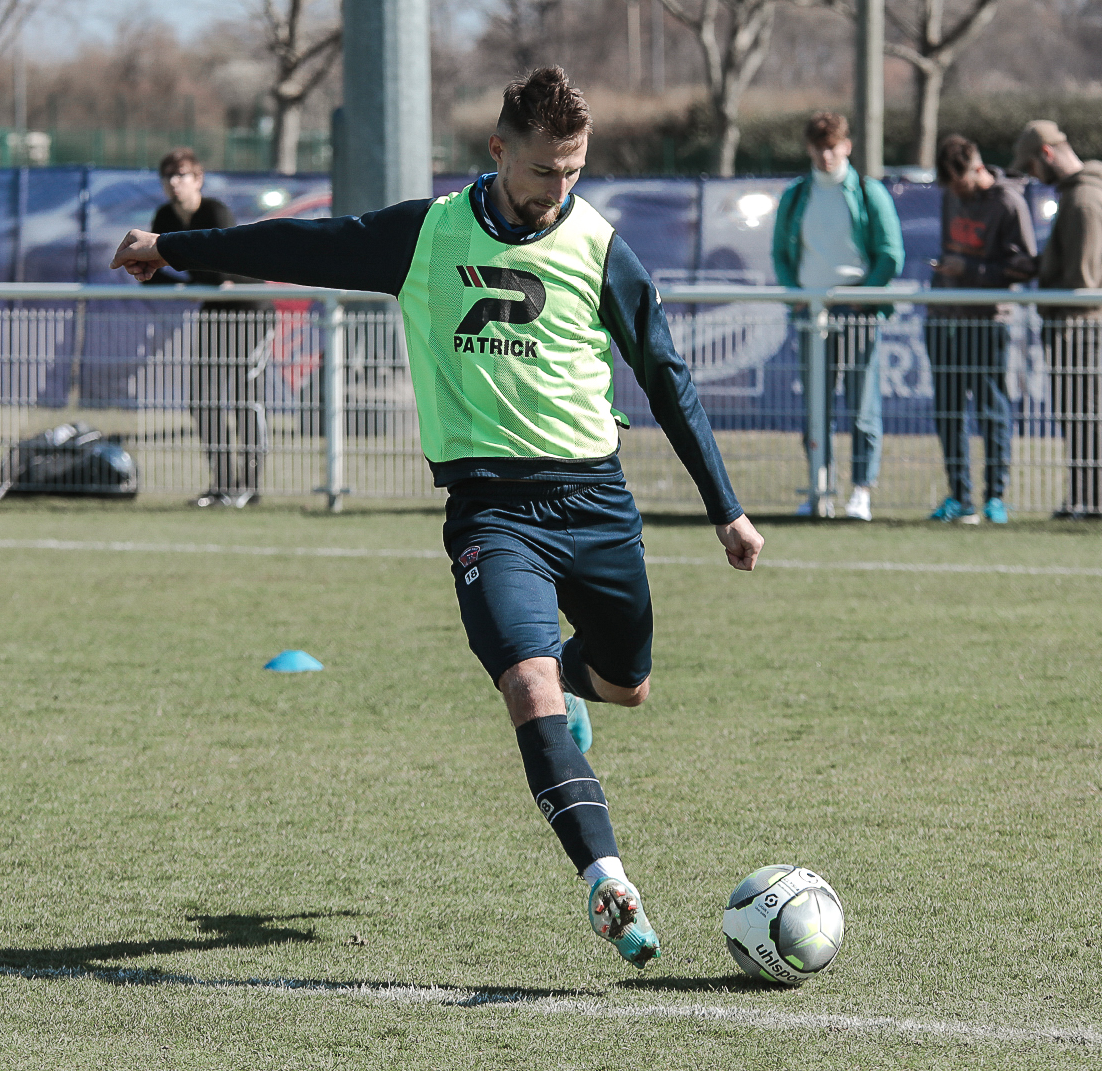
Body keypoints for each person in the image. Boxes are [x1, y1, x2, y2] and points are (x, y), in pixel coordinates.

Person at [111, 67, 765, 970]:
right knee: (528, 688)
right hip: (493, 512)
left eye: (574, 171)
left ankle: (583, 688)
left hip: (597, 504)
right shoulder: (427, 236)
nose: (559, 190)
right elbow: (306, 246)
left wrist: (725, 510)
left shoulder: (601, 248)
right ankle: (606, 880)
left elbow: (667, 376)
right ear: (498, 153)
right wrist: (171, 248)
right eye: (544, 171)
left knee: (625, 687)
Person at [770, 111, 904, 520]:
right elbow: (781, 252)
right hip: (813, 312)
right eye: (818, 148)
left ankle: (861, 490)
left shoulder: (868, 191)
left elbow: (890, 253)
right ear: (810, 149)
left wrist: (866, 294)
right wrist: (795, 294)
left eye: (833, 147)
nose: (826, 155)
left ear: (847, 146)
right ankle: (819, 488)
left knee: (862, 405)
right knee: (817, 407)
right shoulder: (797, 194)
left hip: (859, 312)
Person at [148, 148, 271, 509]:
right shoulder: (163, 216)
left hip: (250, 312)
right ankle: (220, 485)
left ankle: (248, 487)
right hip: (213, 313)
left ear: (198, 179)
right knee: (202, 399)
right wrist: (179, 287)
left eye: (182, 175)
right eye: (168, 175)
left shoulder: (215, 212)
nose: (174, 182)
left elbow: (222, 269)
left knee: (245, 399)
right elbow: (150, 271)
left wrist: (196, 284)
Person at [925, 134, 1037, 525]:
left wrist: (971, 271)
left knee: (991, 409)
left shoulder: (1008, 202)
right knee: (948, 409)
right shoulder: (950, 196)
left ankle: (996, 496)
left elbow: (1025, 266)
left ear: (977, 168)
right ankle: (959, 495)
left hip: (988, 319)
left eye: (961, 183)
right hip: (945, 317)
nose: (957, 192)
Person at [1009, 120, 1102, 520]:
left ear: (1048, 154)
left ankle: (1092, 503)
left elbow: (1081, 278)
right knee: (1075, 413)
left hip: (1077, 322)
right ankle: (1081, 498)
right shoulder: (1078, 195)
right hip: (1073, 320)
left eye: (1032, 166)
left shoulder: (1083, 201)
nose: (1033, 176)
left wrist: (1043, 278)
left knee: (1083, 412)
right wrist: (1037, 266)